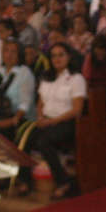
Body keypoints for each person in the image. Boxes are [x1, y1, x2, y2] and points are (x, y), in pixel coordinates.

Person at [32, 43, 87, 198]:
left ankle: (64, 182)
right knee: (23, 138)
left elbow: (77, 109)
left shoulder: (76, 78)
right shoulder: (47, 77)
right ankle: (26, 180)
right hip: (47, 120)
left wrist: (52, 121)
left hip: (68, 122)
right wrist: (41, 117)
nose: (57, 58)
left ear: (69, 57)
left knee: (44, 142)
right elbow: (40, 102)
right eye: (54, 55)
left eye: (61, 54)